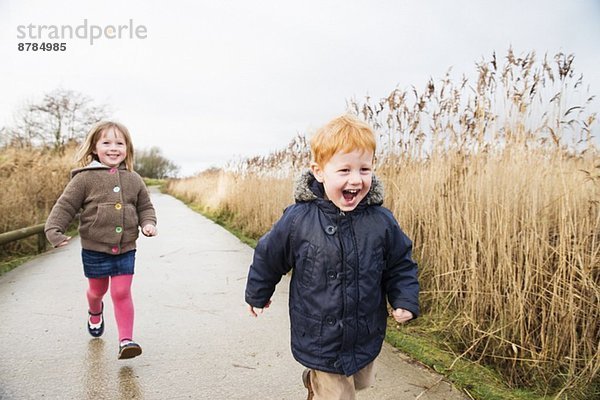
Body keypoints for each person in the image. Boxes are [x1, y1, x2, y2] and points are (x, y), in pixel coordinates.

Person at [245, 114, 420, 400]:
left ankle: (314, 382)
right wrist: (258, 293)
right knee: (339, 393)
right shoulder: (298, 219)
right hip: (319, 334)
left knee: (361, 379)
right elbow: (269, 256)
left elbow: (400, 264)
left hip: (364, 330)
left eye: (364, 169)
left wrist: (405, 299)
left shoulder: (381, 221)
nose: (356, 179)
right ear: (319, 171)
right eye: (344, 170)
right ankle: (321, 383)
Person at [45, 121, 157, 360]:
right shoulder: (84, 179)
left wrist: (148, 223)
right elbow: (65, 206)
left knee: (121, 292)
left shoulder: (134, 179)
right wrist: (54, 229)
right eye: (106, 142)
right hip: (94, 249)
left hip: (126, 248)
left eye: (119, 143)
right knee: (97, 291)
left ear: (127, 148)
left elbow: (145, 206)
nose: (113, 148)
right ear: (95, 148)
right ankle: (95, 311)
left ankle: (126, 341)